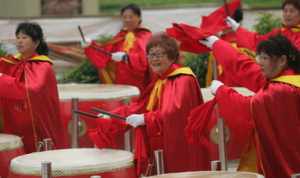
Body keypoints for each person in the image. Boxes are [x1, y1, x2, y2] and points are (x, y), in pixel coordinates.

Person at [89, 33, 209, 175]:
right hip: (161, 145)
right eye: (150, 55)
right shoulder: (160, 81)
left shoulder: (182, 79)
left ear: (171, 56)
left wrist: (145, 119)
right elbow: (140, 107)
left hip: (179, 149)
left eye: (158, 55)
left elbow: (173, 113)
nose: (153, 60)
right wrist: (113, 116)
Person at [199, 34, 300, 178]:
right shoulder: (288, 79)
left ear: (282, 60)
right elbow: (246, 68)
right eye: (259, 57)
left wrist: (222, 91)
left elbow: (250, 107)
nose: (259, 62)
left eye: (265, 58)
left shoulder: (282, 89)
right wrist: (218, 45)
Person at [0, 22, 67, 153]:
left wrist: (2, 78)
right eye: (18, 37)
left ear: (36, 42)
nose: (19, 41)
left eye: (24, 38)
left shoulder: (42, 66)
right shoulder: (11, 62)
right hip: (14, 121)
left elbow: (29, 90)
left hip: (36, 124)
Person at [83, 3, 152, 91]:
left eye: (131, 17)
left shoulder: (146, 36)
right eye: (124, 17)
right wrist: (90, 46)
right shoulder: (121, 36)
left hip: (140, 84)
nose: (127, 20)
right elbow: (105, 54)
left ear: (139, 18)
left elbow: (147, 59)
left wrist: (126, 57)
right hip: (121, 81)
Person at [226, 0, 300, 51]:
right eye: (285, 11)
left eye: (292, 11)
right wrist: (237, 28)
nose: (287, 14)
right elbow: (258, 41)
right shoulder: (278, 32)